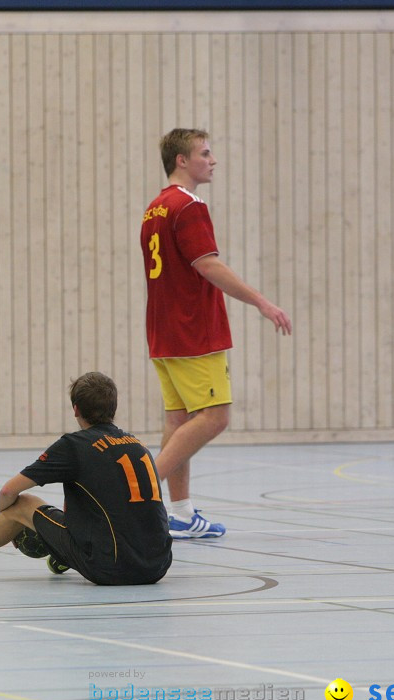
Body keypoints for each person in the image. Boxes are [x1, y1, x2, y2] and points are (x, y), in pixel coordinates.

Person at [141, 128, 292, 540]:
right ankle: (138, 493)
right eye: (205, 154)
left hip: (162, 330)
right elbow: (208, 265)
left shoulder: (154, 208)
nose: (213, 160)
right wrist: (262, 302)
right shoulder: (188, 206)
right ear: (182, 161)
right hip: (193, 331)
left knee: (179, 421)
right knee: (215, 416)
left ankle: (182, 514)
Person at [0, 372, 172, 586]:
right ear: (113, 408)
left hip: (110, 567)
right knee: (89, 494)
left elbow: (8, 492)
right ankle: (62, 554)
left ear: (75, 409)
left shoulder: (75, 445)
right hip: (157, 566)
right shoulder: (137, 444)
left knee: (23, 504)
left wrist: (14, 525)